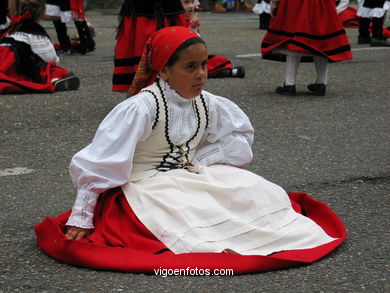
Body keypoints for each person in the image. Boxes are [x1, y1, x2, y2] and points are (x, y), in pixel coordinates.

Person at [35, 26, 346, 273]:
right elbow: (102, 160)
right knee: (186, 211)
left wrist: (202, 161)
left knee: (251, 188)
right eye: (190, 67)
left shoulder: (208, 103)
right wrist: (81, 216)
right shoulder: (142, 108)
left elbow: (237, 139)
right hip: (143, 187)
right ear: (164, 71)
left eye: (204, 65)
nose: (201, 74)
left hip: (185, 175)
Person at [261, 0, 352, 96]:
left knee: (293, 39)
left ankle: (289, 84)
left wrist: (274, 4)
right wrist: (337, 8)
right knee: (321, 42)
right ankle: (321, 83)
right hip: (322, 4)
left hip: (296, 4)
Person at [0, 0, 80, 93]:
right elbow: (51, 58)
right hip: (15, 67)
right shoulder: (38, 34)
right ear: (42, 15)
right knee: (49, 68)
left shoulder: (10, 29)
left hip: (3, 59)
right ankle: (54, 80)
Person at [112, 0, 187, 92]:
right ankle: (142, 88)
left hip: (166, 8)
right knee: (141, 47)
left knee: (172, 47)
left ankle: (171, 86)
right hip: (142, 9)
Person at [182, 0, 245, 78]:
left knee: (217, 60)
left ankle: (228, 70)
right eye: (186, 3)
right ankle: (229, 72)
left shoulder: (189, 19)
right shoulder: (174, 20)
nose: (191, 6)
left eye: (192, 2)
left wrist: (193, 27)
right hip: (182, 56)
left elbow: (196, 40)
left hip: (193, 54)